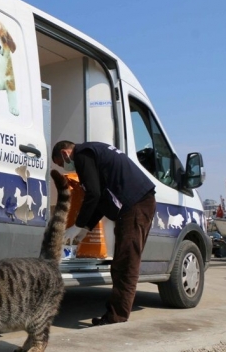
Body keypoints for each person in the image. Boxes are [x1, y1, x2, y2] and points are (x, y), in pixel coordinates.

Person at [52, 140, 156, 326]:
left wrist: (78, 224)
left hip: (136, 205)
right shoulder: (93, 150)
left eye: (61, 163)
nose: (65, 166)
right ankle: (116, 312)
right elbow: (101, 199)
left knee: (126, 263)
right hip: (137, 204)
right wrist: (85, 227)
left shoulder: (82, 154)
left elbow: (93, 194)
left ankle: (117, 317)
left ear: (65, 153)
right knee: (121, 263)